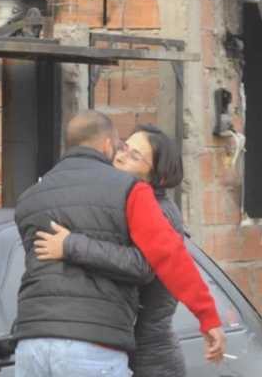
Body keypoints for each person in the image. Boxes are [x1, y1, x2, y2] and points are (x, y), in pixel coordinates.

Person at [13, 111, 225, 377]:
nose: (122, 154)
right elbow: (170, 256)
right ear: (107, 145)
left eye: (135, 155)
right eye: (123, 147)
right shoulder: (124, 192)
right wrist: (207, 316)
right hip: (93, 345)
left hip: (32, 344)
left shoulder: (31, 197)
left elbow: (152, 264)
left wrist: (71, 245)